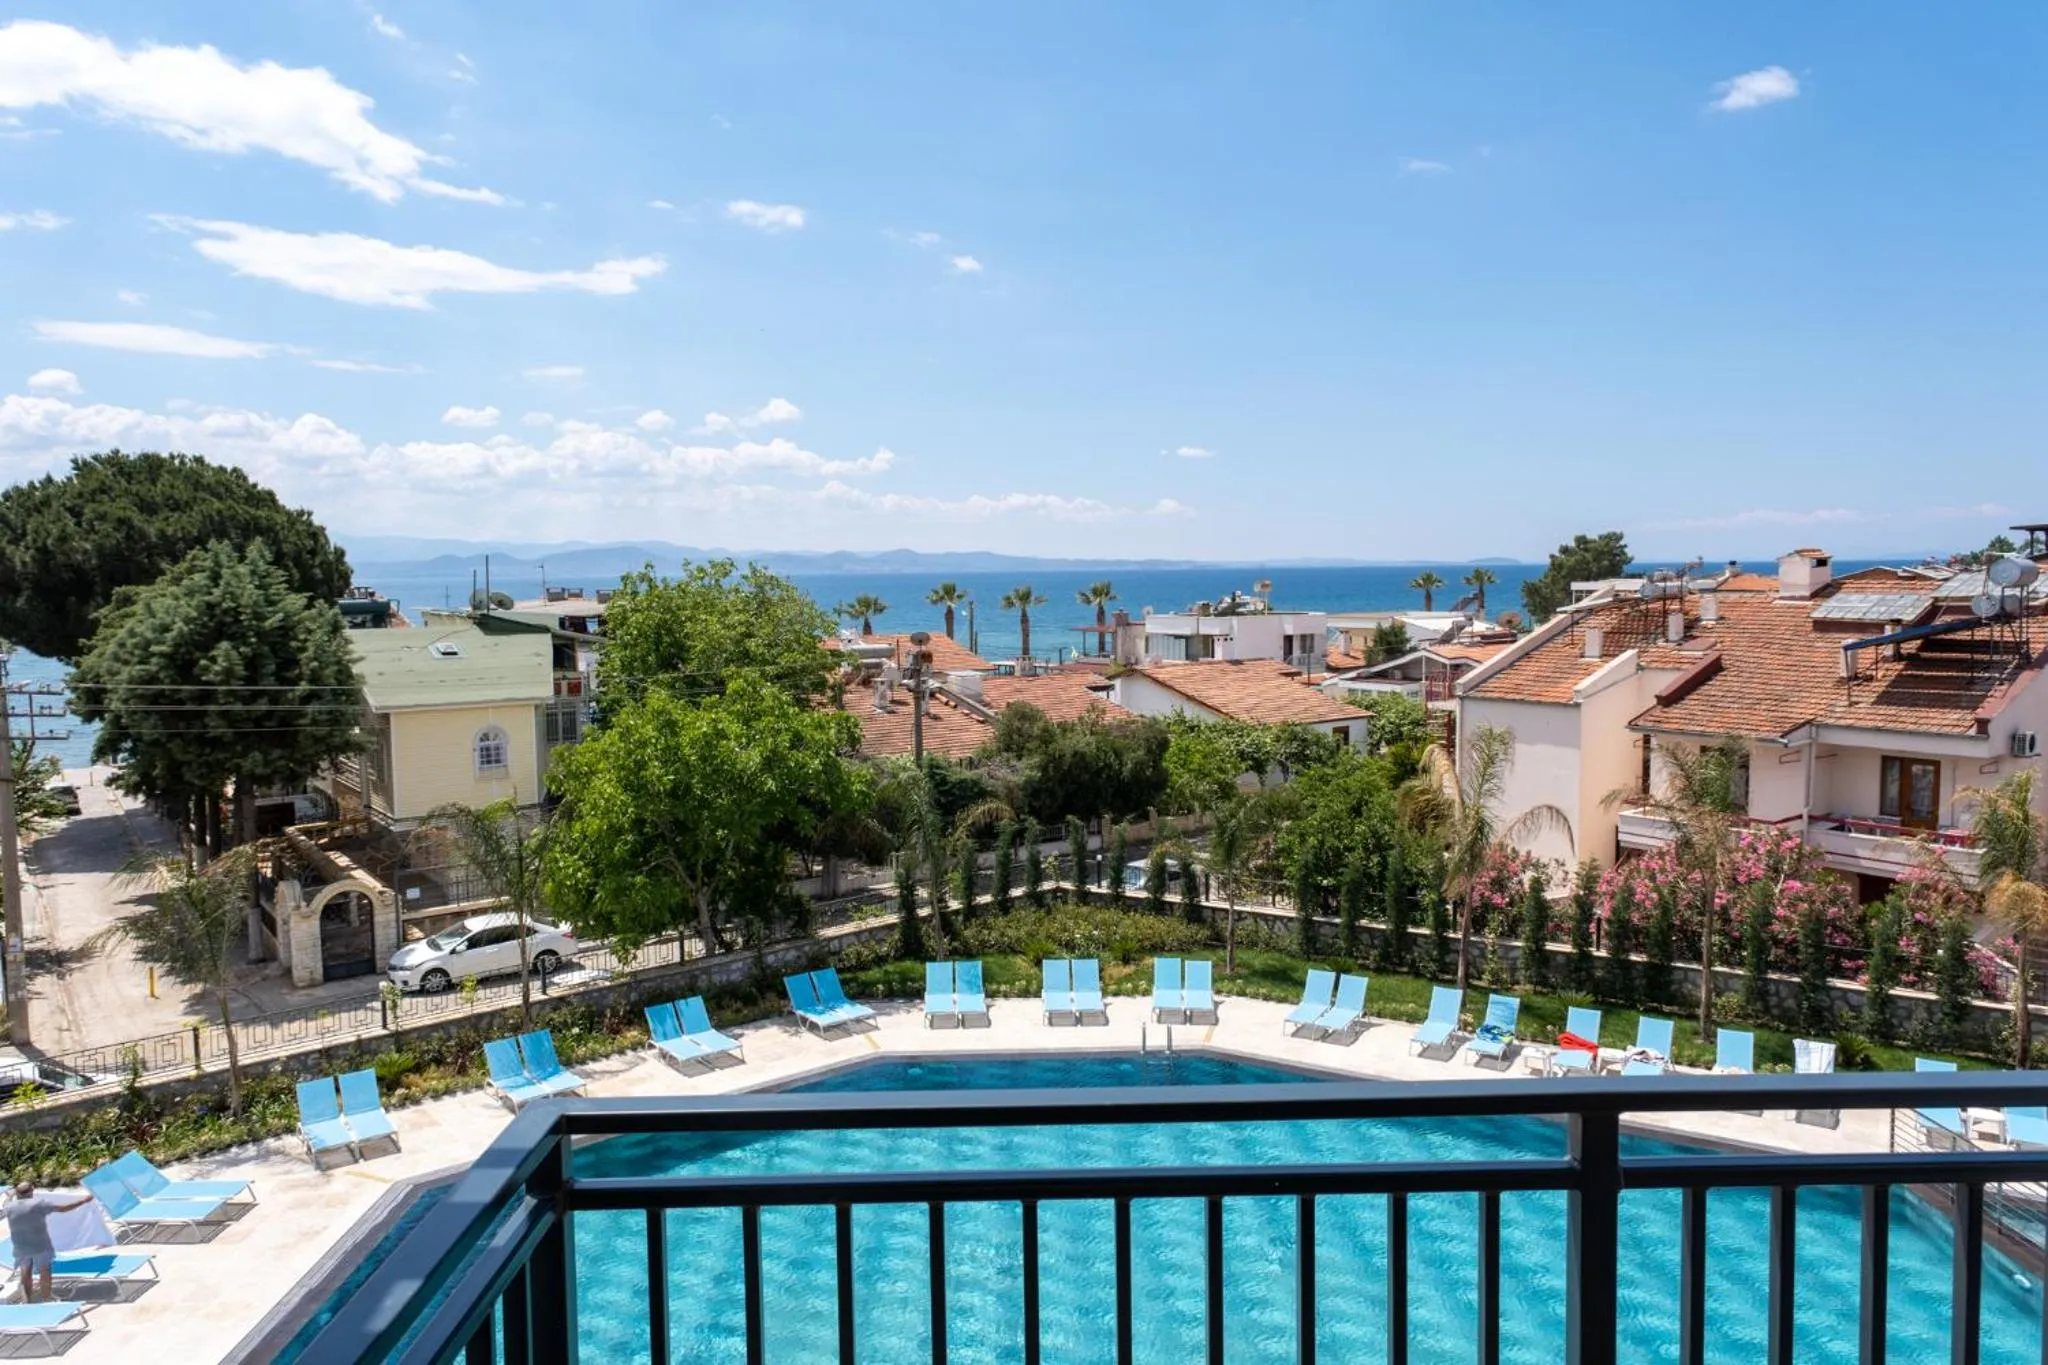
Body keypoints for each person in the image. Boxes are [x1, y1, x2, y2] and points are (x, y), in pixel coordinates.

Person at [4, 1181, 92, 1304]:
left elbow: (5, 1202)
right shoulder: (38, 1204)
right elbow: (63, 1209)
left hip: (20, 1246)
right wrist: (83, 1201)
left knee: (25, 1273)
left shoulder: (9, 1207)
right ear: (31, 1191)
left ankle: (27, 1301)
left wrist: (11, 1194)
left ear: (18, 1193)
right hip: (40, 1245)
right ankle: (46, 1299)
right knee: (45, 1271)